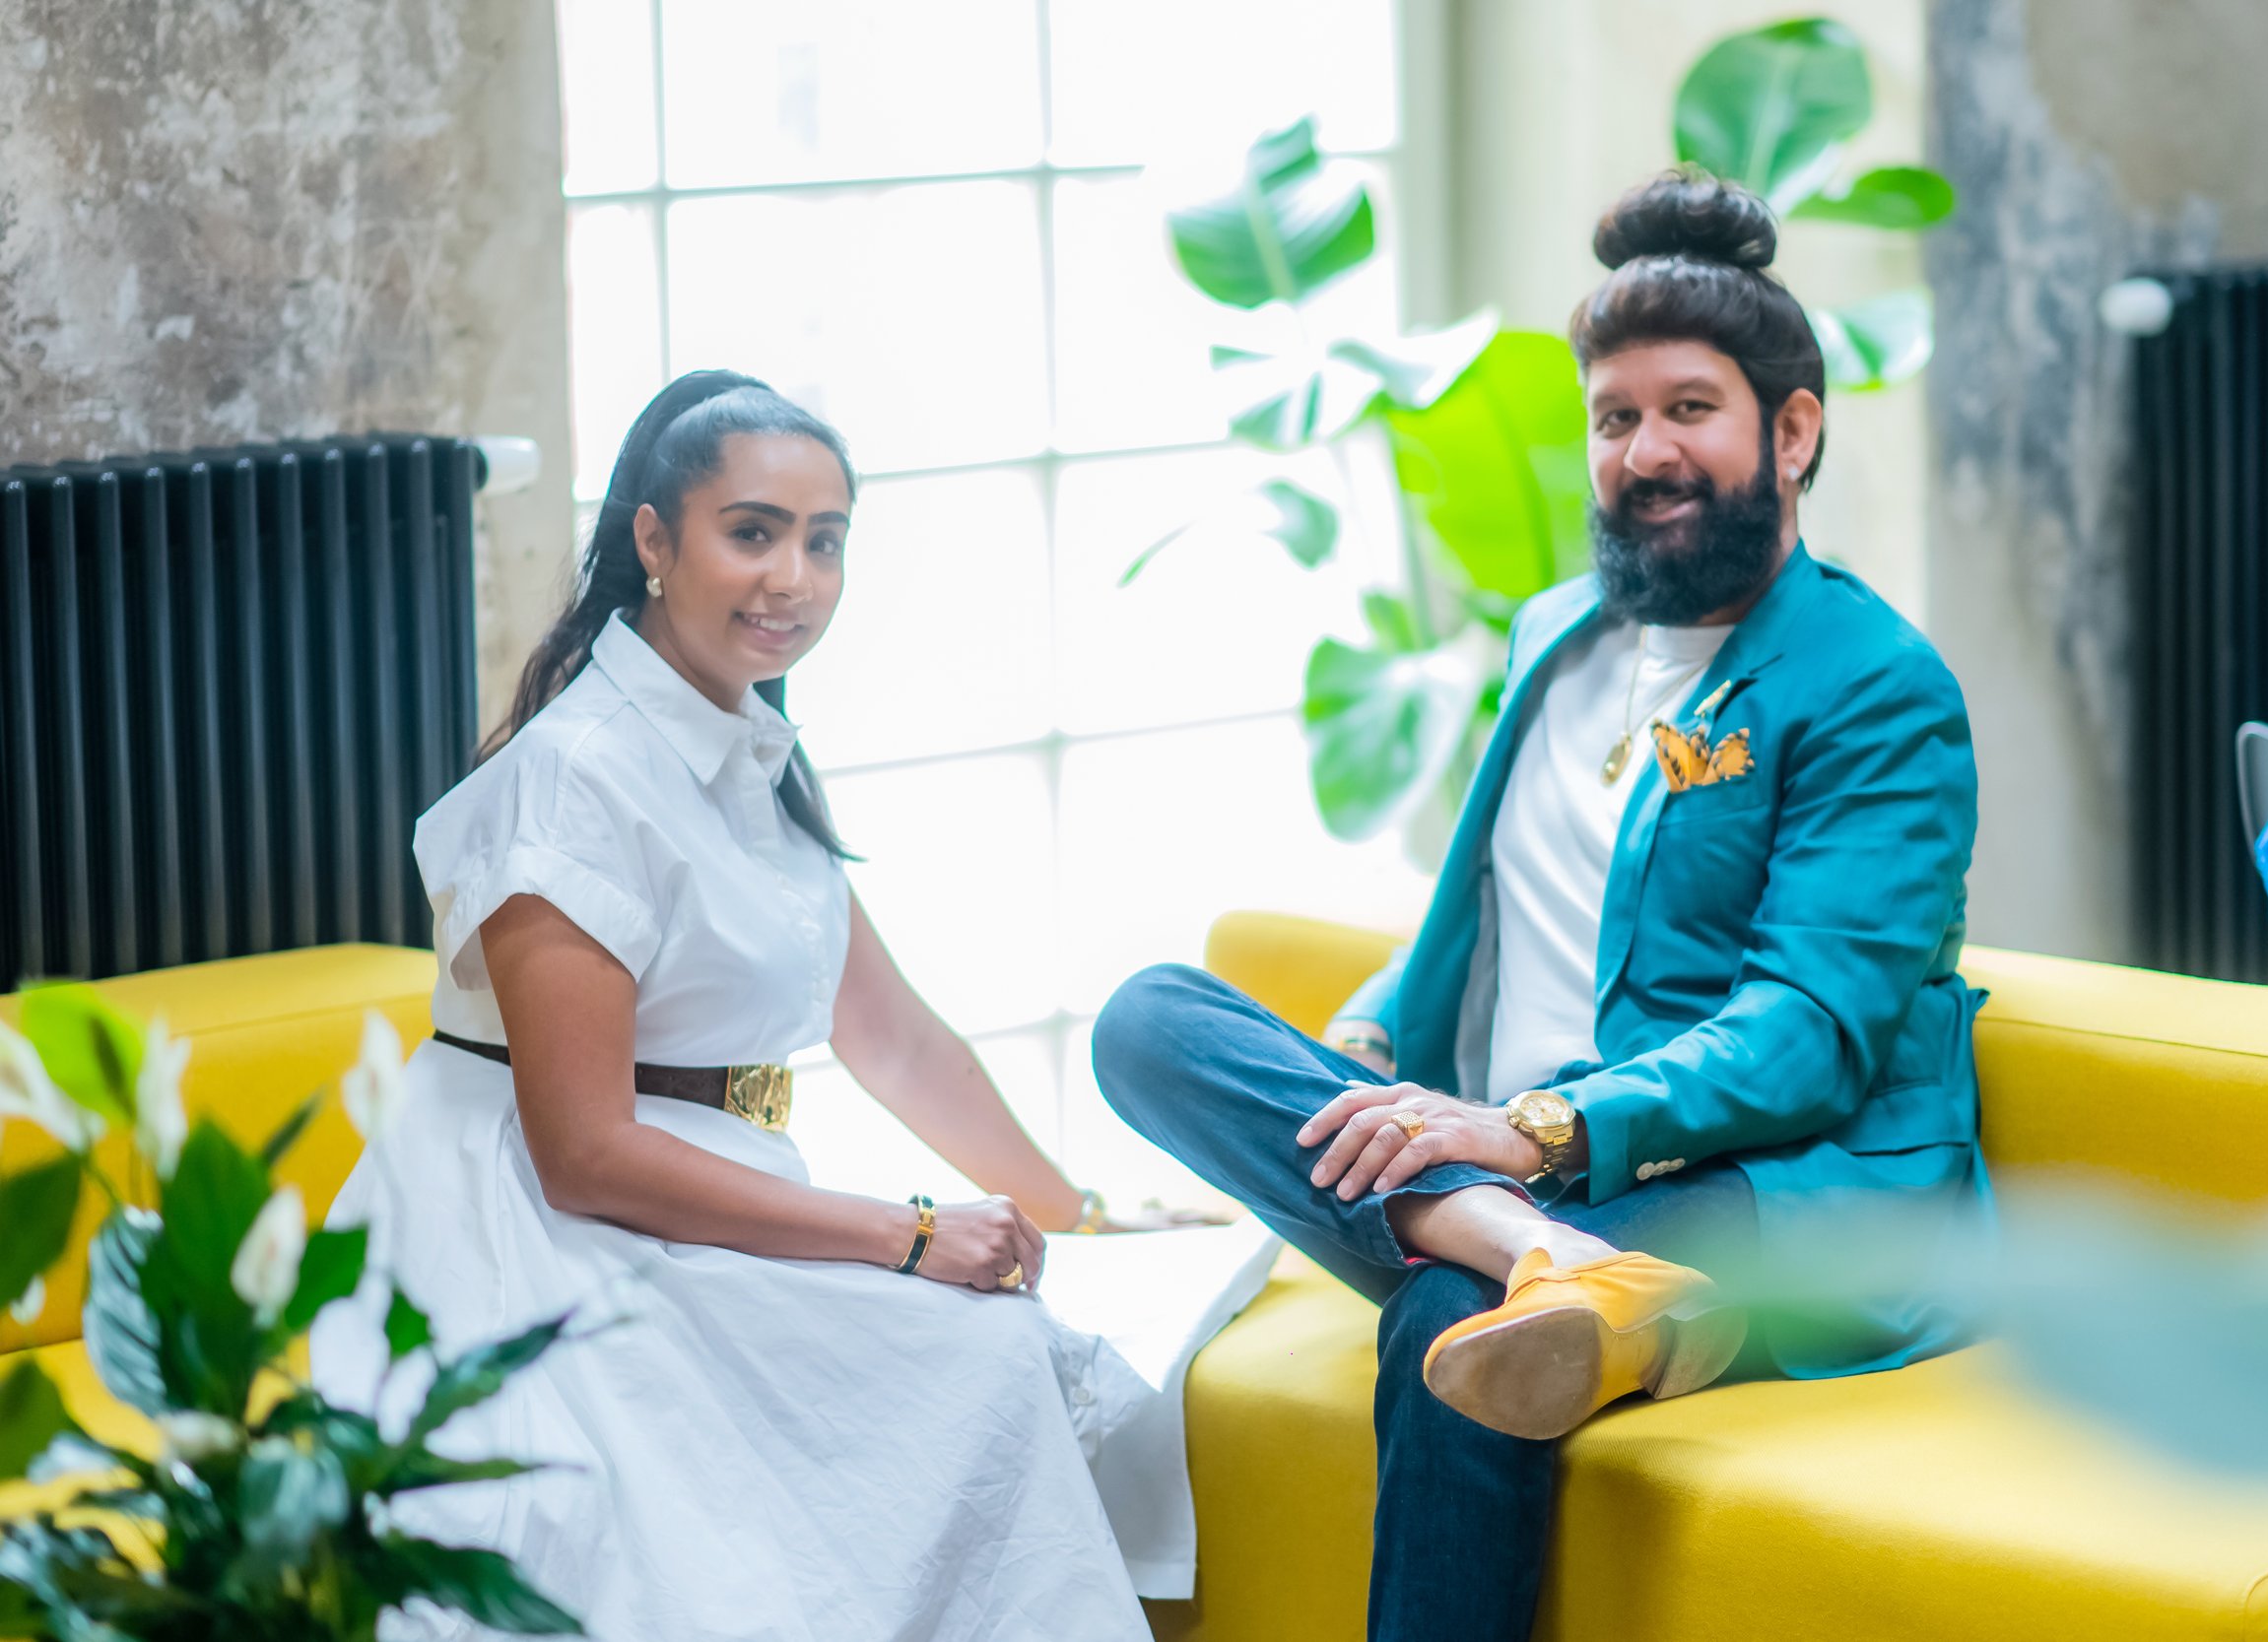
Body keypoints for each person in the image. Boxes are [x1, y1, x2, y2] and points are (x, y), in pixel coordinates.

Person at [1091, 169, 1988, 1642]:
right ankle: (1545, 1253)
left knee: (1456, 1320)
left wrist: (1535, 1130)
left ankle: (1522, 1254)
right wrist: (1375, 1035)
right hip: (1541, 1175)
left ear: (1793, 432)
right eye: (1614, 416)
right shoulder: (1554, 631)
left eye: (1689, 409)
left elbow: (1810, 1034)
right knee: (1147, 1022)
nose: (1647, 450)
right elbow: (1499, 901)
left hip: (1780, 1183)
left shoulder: (1877, 687)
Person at [312, 369, 1195, 1641]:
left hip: (696, 1195)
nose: (795, 579)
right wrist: (909, 1234)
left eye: (824, 542)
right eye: (753, 532)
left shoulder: (748, 753)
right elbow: (584, 1153)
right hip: (541, 1231)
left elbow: (892, 1038)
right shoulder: (576, 777)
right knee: (979, 1365)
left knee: (1014, 1346)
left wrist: (1078, 1212)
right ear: (654, 541)